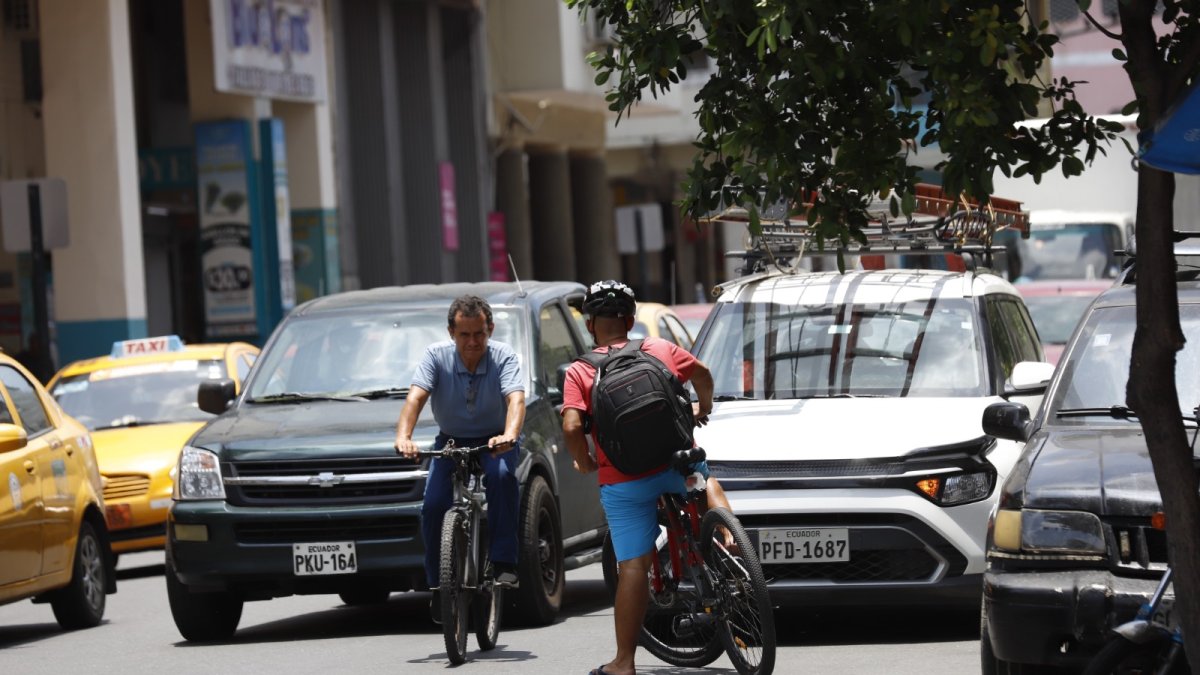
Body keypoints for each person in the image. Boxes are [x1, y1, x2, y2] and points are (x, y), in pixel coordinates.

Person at [561, 280, 725, 675]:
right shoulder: (659, 349)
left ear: (589, 326)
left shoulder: (581, 370)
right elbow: (701, 373)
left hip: (625, 480)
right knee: (707, 479)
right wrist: (703, 406)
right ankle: (729, 538)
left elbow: (570, 425)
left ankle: (623, 663)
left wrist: (585, 461)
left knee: (632, 566)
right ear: (631, 320)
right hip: (676, 464)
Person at [394, 295, 526, 622]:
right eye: (464, 335)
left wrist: (508, 435)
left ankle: (503, 562)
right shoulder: (435, 357)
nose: (472, 342)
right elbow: (415, 399)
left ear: (490, 329)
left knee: (503, 478)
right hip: (450, 442)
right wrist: (403, 437)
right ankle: (439, 586)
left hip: (496, 440)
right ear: (451, 332)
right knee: (434, 504)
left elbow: (516, 400)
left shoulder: (504, 357)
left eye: (479, 334)